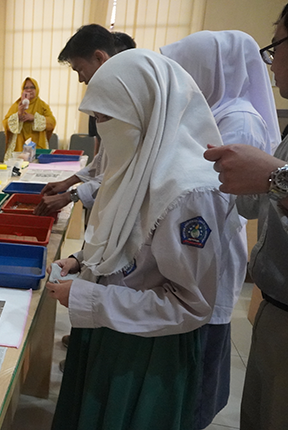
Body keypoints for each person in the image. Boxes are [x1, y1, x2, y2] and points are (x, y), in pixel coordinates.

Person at [46, 49, 246, 430]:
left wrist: (89, 297)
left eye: (108, 119)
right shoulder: (135, 167)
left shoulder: (187, 193)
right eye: (96, 120)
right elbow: (123, 243)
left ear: (147, 112)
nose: (103, 131)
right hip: (111, 328)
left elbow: (190, 305)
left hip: (148, 351)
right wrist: (80, 260)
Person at [161, 30, 282, 429]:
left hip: (206, 253)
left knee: (201, 365)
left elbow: (215, 202)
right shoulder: (212, 112)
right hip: (197, 253)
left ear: (206, 73)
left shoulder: (238, 121)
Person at [204, 4, 288, 429]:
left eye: (276, 47)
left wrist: (276, 177)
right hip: (276, 302)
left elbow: (234, 197)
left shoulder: (238, 119)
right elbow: (252, 200)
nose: (272, 64)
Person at [34, 25, 135, 216]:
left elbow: (123, 170)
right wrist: (67, 183)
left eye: (80, 69)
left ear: (99, 57)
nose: (81, 79)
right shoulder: (108, 95)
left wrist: (70, 195)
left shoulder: (128, 103)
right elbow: (103, 160)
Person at [2, 77, 56, 159]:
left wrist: (34, 118)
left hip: (38, 147)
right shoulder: (16, 105)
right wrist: (18, 115)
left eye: (32, 87)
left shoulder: (42, 106)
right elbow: (6, 123)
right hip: (18, 146)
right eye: (26, 88)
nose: (29, 90)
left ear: (36, 89)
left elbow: (51, 123)